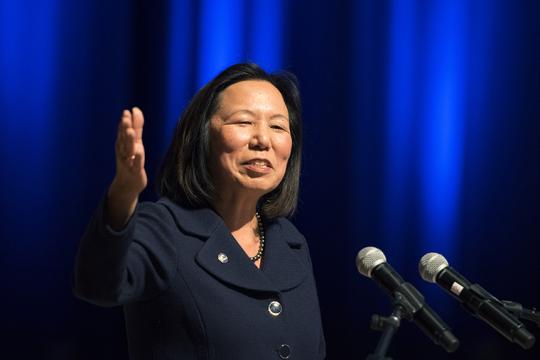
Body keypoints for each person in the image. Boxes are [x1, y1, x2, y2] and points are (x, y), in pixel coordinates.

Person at [73, 63, 326, 359]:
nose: (263, 140)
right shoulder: (164, 228)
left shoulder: (290, 242)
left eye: (278, 126)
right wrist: (123, 193)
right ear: (202, 137)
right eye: (243, 122)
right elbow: (98, 286)